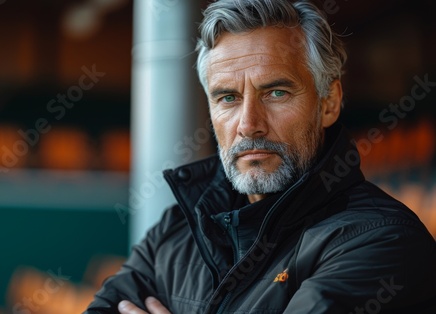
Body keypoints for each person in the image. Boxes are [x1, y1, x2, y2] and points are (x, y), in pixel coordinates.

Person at [85, 0, 436, 313]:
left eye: (277, 92)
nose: (249, 125)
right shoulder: (176, 229)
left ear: (328, 103)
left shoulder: (382, 240)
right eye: (228, 98)